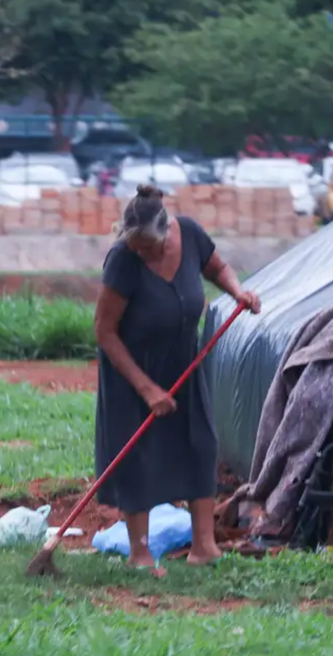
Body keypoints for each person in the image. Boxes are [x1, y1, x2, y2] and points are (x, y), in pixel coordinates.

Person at [93, 184, 261, 572]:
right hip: (134, 368)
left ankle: (204, 547)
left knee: (200, 443)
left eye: (147, 248)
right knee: (138, 456)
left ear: (167, 232)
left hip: (184, 361)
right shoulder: (122, 260)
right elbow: (104, 331)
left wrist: (238, 292)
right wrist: (147, 388)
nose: (140, 253)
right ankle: (140, 554)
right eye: (134, 246)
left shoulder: (190, 233)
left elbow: (217, 267)